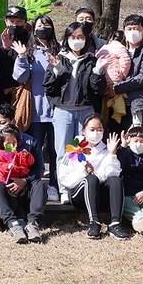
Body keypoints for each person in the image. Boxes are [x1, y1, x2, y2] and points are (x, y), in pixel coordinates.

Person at [44, 22, 105, 199]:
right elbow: (48, 87)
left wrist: (98, 71)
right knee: (63, 152)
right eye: (73, 37)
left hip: (86, 112)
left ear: (86, 40)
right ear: (67, 38)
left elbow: (97, 89)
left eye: (80, 37)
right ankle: (64, 190)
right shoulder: (59, 58)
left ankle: (80, 189)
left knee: (84, 151)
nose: (76, 41)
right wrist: (57, 70)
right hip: (63, 112)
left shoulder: (91, 60)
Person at [56, 114, 129, 239]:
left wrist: (112, 154)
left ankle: (115, 223)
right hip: (79, 196)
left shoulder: (106, 150)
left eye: (99, 129)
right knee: (91, 179)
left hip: (99, 195)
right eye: (92, 129)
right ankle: (94, 222)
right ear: (84, 131)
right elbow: (64, 179)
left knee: (115, 180)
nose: (96, 133)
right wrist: (84, 173)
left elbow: (113, 173)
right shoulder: (73, 150)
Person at [12, 14, 59, 199]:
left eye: (47, 23)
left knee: (57, 152)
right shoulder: (29, 51)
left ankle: (55, 186)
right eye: (39, 24)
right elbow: (20, 77)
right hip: (36, 111)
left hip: (58, 110)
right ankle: (36, 186)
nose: (43, 27)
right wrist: (22, 57)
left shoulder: (60, 49)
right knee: (36, 151)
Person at [0, 125, 46, 243]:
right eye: (8, 144)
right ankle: (13, 224)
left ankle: (33, 224)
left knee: (40, 184)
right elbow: (0, 166)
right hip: (7, 184)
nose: (12, 146)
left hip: (26, 184)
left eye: (14, 142)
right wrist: (7, 166)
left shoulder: (22, 151)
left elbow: (34, 164)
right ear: (2, 144)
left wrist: (27, 156)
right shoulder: (1, 154)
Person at [107, 15, 143, 129]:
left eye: (136, 29)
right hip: (117, 103)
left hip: (139, 105)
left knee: (138, 139)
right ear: (124, 31)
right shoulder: (121, 50)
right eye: (129, 29)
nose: (132, 32)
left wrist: (117, 88)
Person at [0, 5, 31, 105]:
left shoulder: (30, 41)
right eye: (12, 21)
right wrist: (5, 49)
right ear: (6, 21)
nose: (15, 25)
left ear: (25, 22)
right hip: (0, 93)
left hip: (24, 92)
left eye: (19, 21)